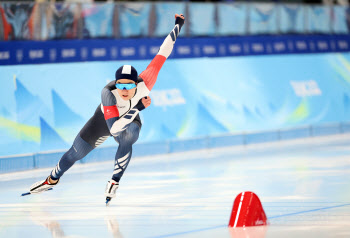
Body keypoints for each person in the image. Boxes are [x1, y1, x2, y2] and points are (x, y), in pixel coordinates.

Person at [28, 14, 185, 205]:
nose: (124, 90)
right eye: (121, 86)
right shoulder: (107, 94)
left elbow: (164, 51)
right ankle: (51, 179)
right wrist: (137, 107)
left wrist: (178, 25)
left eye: (129, 86)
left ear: (137, 84)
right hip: (105, 121)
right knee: (75, 154)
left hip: (129, 121)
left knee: (129, 136)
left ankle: (114, 181)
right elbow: (114, 129)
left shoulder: (147, 81)